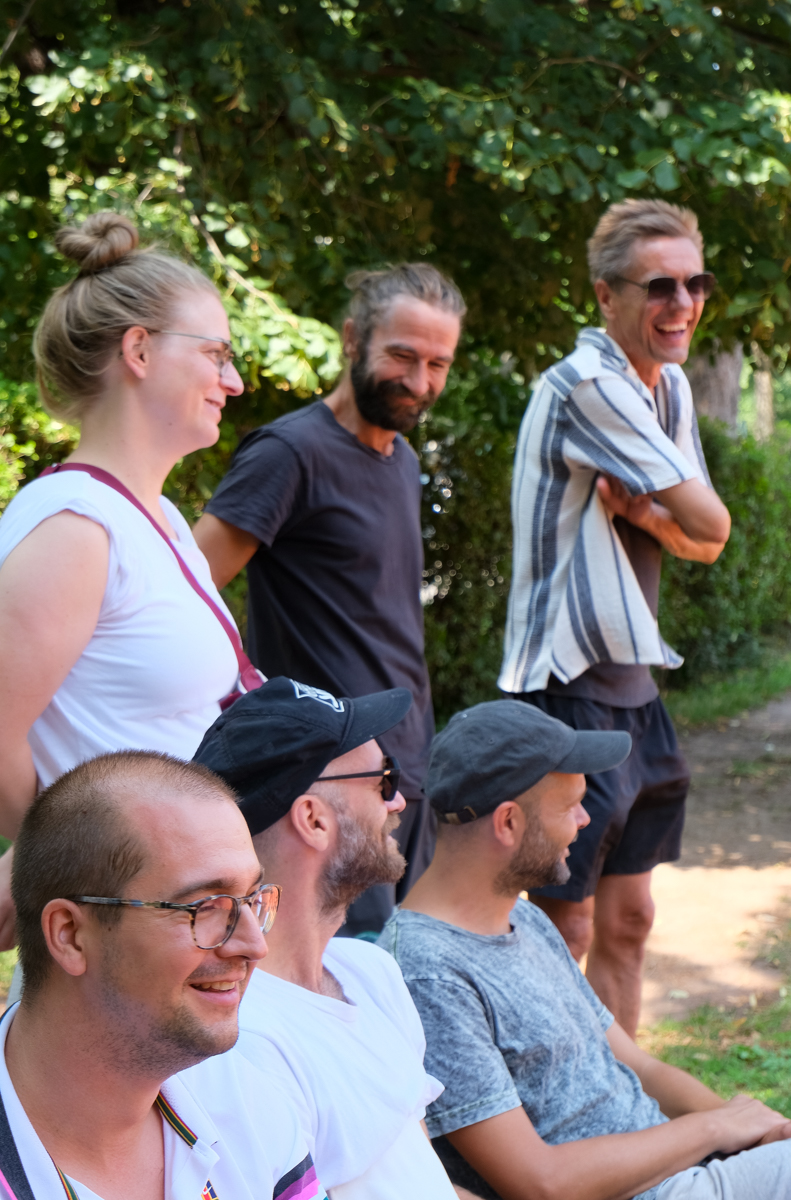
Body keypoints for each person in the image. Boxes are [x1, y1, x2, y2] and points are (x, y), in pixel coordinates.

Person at [379, 700, 791, 1200]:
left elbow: (639, 1066)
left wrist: (767, 1134)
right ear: (508, 823)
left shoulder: (523, 918)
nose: (586, 819)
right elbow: (541, 1183)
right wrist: (716, 1128)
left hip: (675, 1170)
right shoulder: (427, 973)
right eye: (569, 806)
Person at [498, 198, 732, 1034]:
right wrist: (667, 517)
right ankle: (553, 1106)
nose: (682, 303)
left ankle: (619, 1095)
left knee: (630, 920)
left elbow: (702, 544)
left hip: (634, 683)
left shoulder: (665, 385)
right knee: (564, 927)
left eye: (695, 284)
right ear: (605, 296)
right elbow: (709, 521)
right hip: (566, 686)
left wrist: (639, 514)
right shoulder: (589, 385)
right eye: (658, 286)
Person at [0, 211, 251, 955]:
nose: (233, 381)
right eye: (215, 354)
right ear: (138, 350)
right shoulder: (75, 528)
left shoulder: (159, 517)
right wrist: (54, 864)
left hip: (181, 911)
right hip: (126, 931)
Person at [194, 264, 465, 936]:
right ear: (352, 339)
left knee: (396, 977)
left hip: (402, 774)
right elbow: (185, 592)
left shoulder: (402, 459)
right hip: (321, 791)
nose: (420, 381)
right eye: (402, 355)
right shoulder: (289, 453)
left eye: (437, 364)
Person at [193, 676, 479, 1200]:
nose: (399, 801)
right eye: (384, 780)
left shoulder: (369, 971)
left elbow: (420, 1172)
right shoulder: (245, 1041)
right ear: (313, 820)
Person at [2, 749, 324, 1200]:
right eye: (203, 907)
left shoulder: (243, 1102)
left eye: (252, 900)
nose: (255, 946)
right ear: (71, 935)